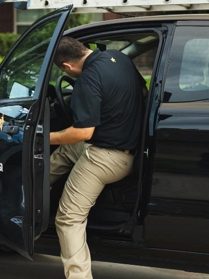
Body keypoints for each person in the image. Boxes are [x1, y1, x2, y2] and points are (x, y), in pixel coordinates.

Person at [49, 37, 146, 279]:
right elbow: (143, 91)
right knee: (66, 152)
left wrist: (41, 138)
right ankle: (29, 187)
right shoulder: (120, 58)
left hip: (105, 159)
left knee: (68, 218)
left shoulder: (87, 81)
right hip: (127, 147)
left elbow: (83, 132)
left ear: (67, 68)